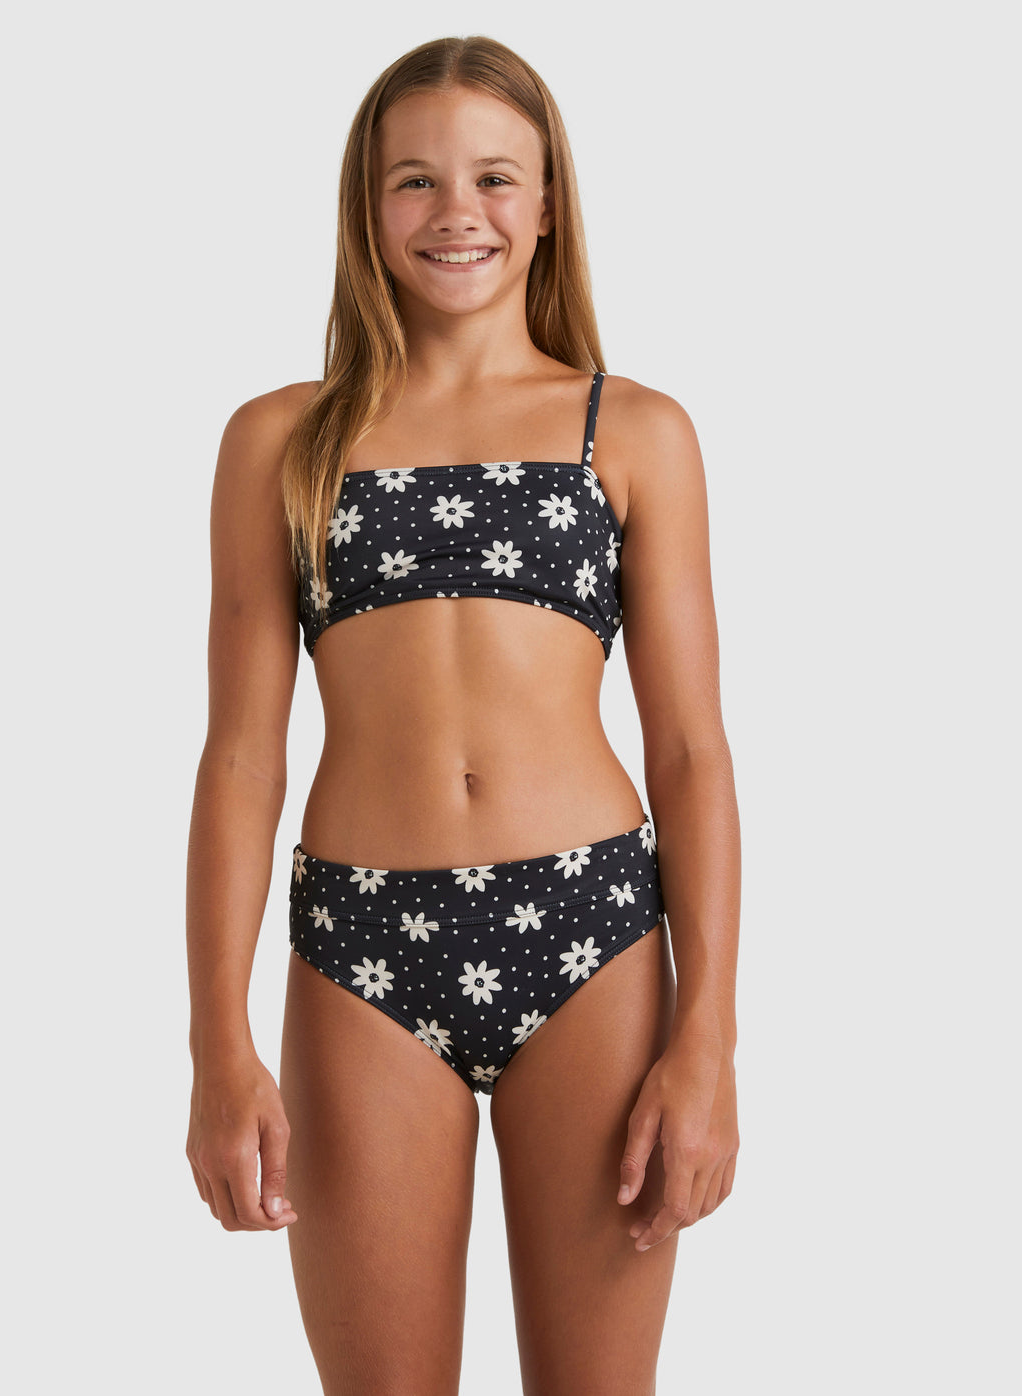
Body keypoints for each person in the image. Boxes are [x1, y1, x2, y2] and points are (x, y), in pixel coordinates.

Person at [185, 33, 741, 1395]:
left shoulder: (633, 432)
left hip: (591, 934)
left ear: (547, 206)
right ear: (365, 207)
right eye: (414, 180)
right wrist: (216, 1045)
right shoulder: (282, 439)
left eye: (495, 177)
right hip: (360, 949)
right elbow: (242, 758)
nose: (456, 212)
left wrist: (708, 1041)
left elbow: (690, 752)